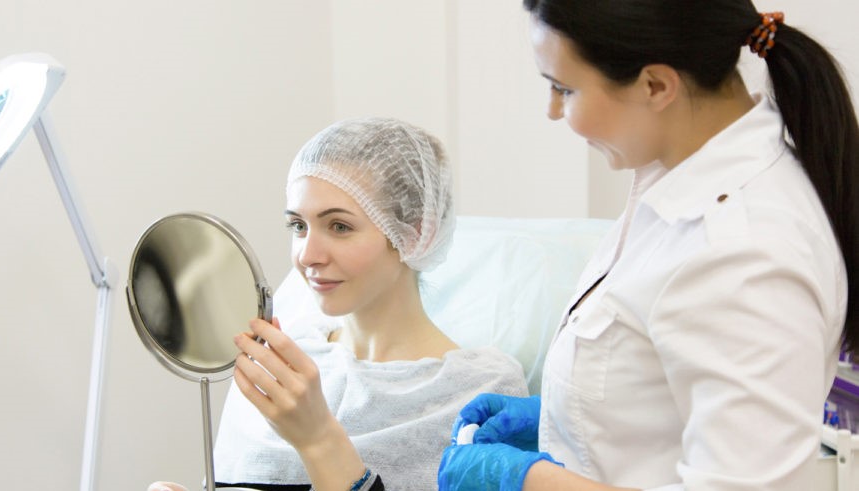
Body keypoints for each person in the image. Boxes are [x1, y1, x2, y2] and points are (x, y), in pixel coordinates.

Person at [439, 2, 857, 490]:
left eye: (564, 89)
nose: (552, 111)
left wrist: (529, 481)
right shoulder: (675, 177)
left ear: (656, 86)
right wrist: (565, 413)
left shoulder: (742, 251)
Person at [148, 117, 528, 491]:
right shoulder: (284, 366)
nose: (307, 255)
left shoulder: (481, 392)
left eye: (339, 227)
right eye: (298, 226)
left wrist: (318, 439)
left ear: (416, 233)